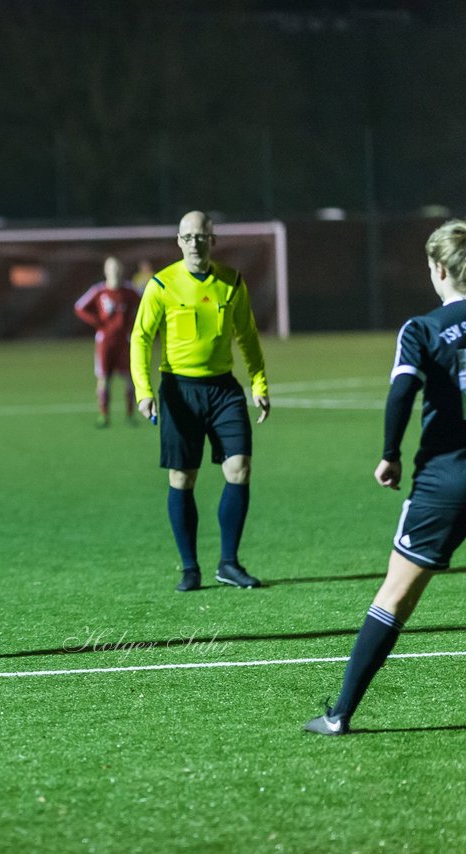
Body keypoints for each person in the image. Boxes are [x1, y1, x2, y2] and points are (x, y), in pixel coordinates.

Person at [305, 220, 466, 735]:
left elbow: (402, 393)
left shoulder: (422, 329)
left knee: (396, 595)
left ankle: (340, 714)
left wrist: (390, 454)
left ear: (438, 269)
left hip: (447, 481)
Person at [129, 211, 270, 592]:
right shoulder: (162, 284)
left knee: (239, 468)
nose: (195, 243)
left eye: (202, 236)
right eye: (188, 237)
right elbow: (141, 338)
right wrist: (144, 391)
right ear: (178, 241)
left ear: (213, 240)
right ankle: (190, 568)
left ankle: (229, 563)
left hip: (224, 390)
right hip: (179, 390)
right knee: (182, 478)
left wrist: (259, 381)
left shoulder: (232, 282)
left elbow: (248, 335)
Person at [74, 255, 141, 427]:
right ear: (105, 270)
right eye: (111, 267)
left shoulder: (130, 291)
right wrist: (97, 322)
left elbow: (145, 306)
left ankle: (130, 415)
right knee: (104, 378)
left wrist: (134, 324)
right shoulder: (99, 290)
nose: (115, 271)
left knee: (130, 377)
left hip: (124, 341)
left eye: (117, 267)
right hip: (105, 341)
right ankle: (104, 415)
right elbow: (80, 307)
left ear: (122, 269)